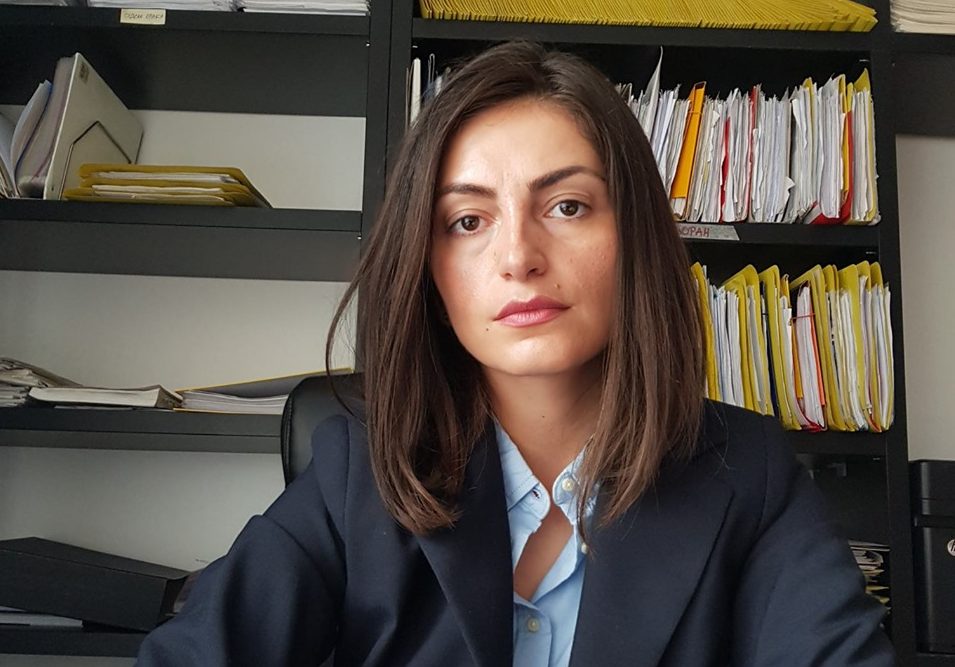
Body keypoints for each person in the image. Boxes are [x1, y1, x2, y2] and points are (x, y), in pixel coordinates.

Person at [135, 41, 896, 666]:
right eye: (467, 221)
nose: (517, 257)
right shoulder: (353, 469)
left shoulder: (749, 472)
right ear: (428, 268)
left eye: (566, 206)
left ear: (633, 237)